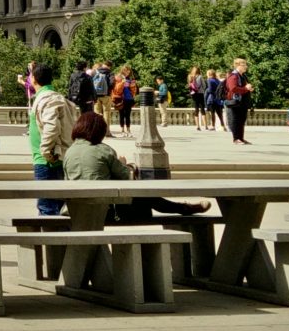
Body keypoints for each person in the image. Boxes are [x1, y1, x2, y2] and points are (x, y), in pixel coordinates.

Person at [62, 112, 209, 220]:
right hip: (105, 212)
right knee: (145, 198)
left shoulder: (69, 152)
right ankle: (184, 208)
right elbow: (128, 178)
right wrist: (126, 165)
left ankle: (184, 208)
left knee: (144, 199)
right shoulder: (104, 150)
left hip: (77, 211)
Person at [26, 61, 75, 216]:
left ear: (33, 79)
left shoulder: (47, 98)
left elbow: (51, 127)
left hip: (47, 161)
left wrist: (46, 151)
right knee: (58, 206)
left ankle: (53, 239)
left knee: (47, 208)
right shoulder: (54, 97)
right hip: (55, 158)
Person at [223, 59, 252, 144]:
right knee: (235, 120)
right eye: (244, 65)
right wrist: (246, 89)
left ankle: (241, 138)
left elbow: (243, 87)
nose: (246, 67)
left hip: (242, 102)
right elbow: (233, 88)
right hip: (235, 102)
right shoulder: (234, 76)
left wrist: (248, 89)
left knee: (241, 120)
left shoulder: (242, 76)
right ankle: (236, 139)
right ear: (238, 65)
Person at [111, 67, 136, 136]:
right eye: (126, 71)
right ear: (122, 71)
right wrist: (122, 82)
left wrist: (132, 86)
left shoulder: (131, 79)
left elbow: (134, 90)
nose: (127, 72)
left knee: (128, 115)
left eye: (128, 71)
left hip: (129, 99)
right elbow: (117, 89)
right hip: (120, 99)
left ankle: (128, 130)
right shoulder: (118, 78)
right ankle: (122, 130)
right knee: (121, 115)